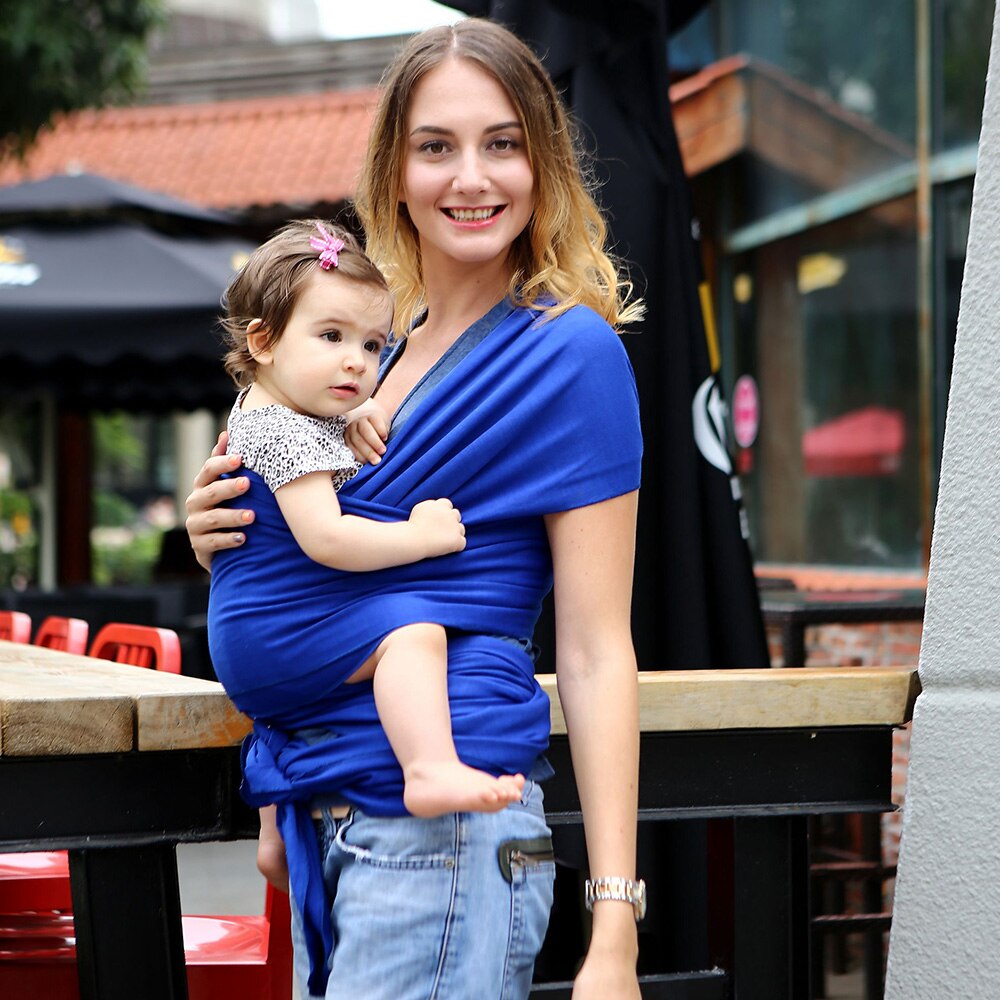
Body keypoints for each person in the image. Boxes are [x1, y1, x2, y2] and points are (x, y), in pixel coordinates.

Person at [186, 17, 644, 1000]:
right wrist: (224, 526)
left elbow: (597, 648)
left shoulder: (570, 354)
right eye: (436, 146)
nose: (470, 178)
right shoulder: (369, 344)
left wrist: (614, 924)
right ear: (392, 171)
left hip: (442, 835)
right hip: (333, 810)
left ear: (543, 164)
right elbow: (315, 547)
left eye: (502, 143)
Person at [209, 218, 526, 828]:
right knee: (413, 635)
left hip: (256, 637)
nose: (356, 363)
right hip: (273, 636)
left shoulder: (268, 409)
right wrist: (421, 538)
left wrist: (349, 421)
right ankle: (429, 768)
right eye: (331, 336)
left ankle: (277, 830)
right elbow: (327, 537)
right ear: (263, 341)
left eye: (373, 345)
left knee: (334, 682)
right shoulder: (283, 431)